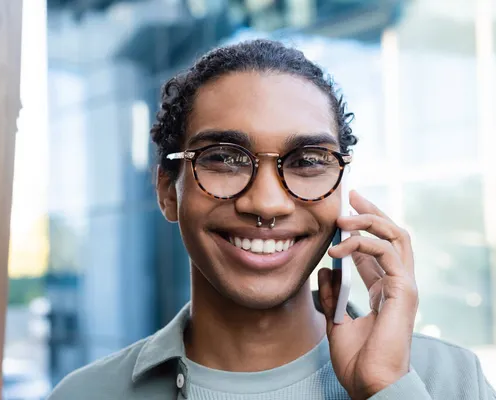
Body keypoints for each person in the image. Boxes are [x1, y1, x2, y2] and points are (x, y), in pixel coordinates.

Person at [48, 39, 496, 399]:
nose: (267, 204)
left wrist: (386, 388)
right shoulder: (86, 394)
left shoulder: (450, 381)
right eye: (224, 159)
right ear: (168, 190)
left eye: (306, 161)